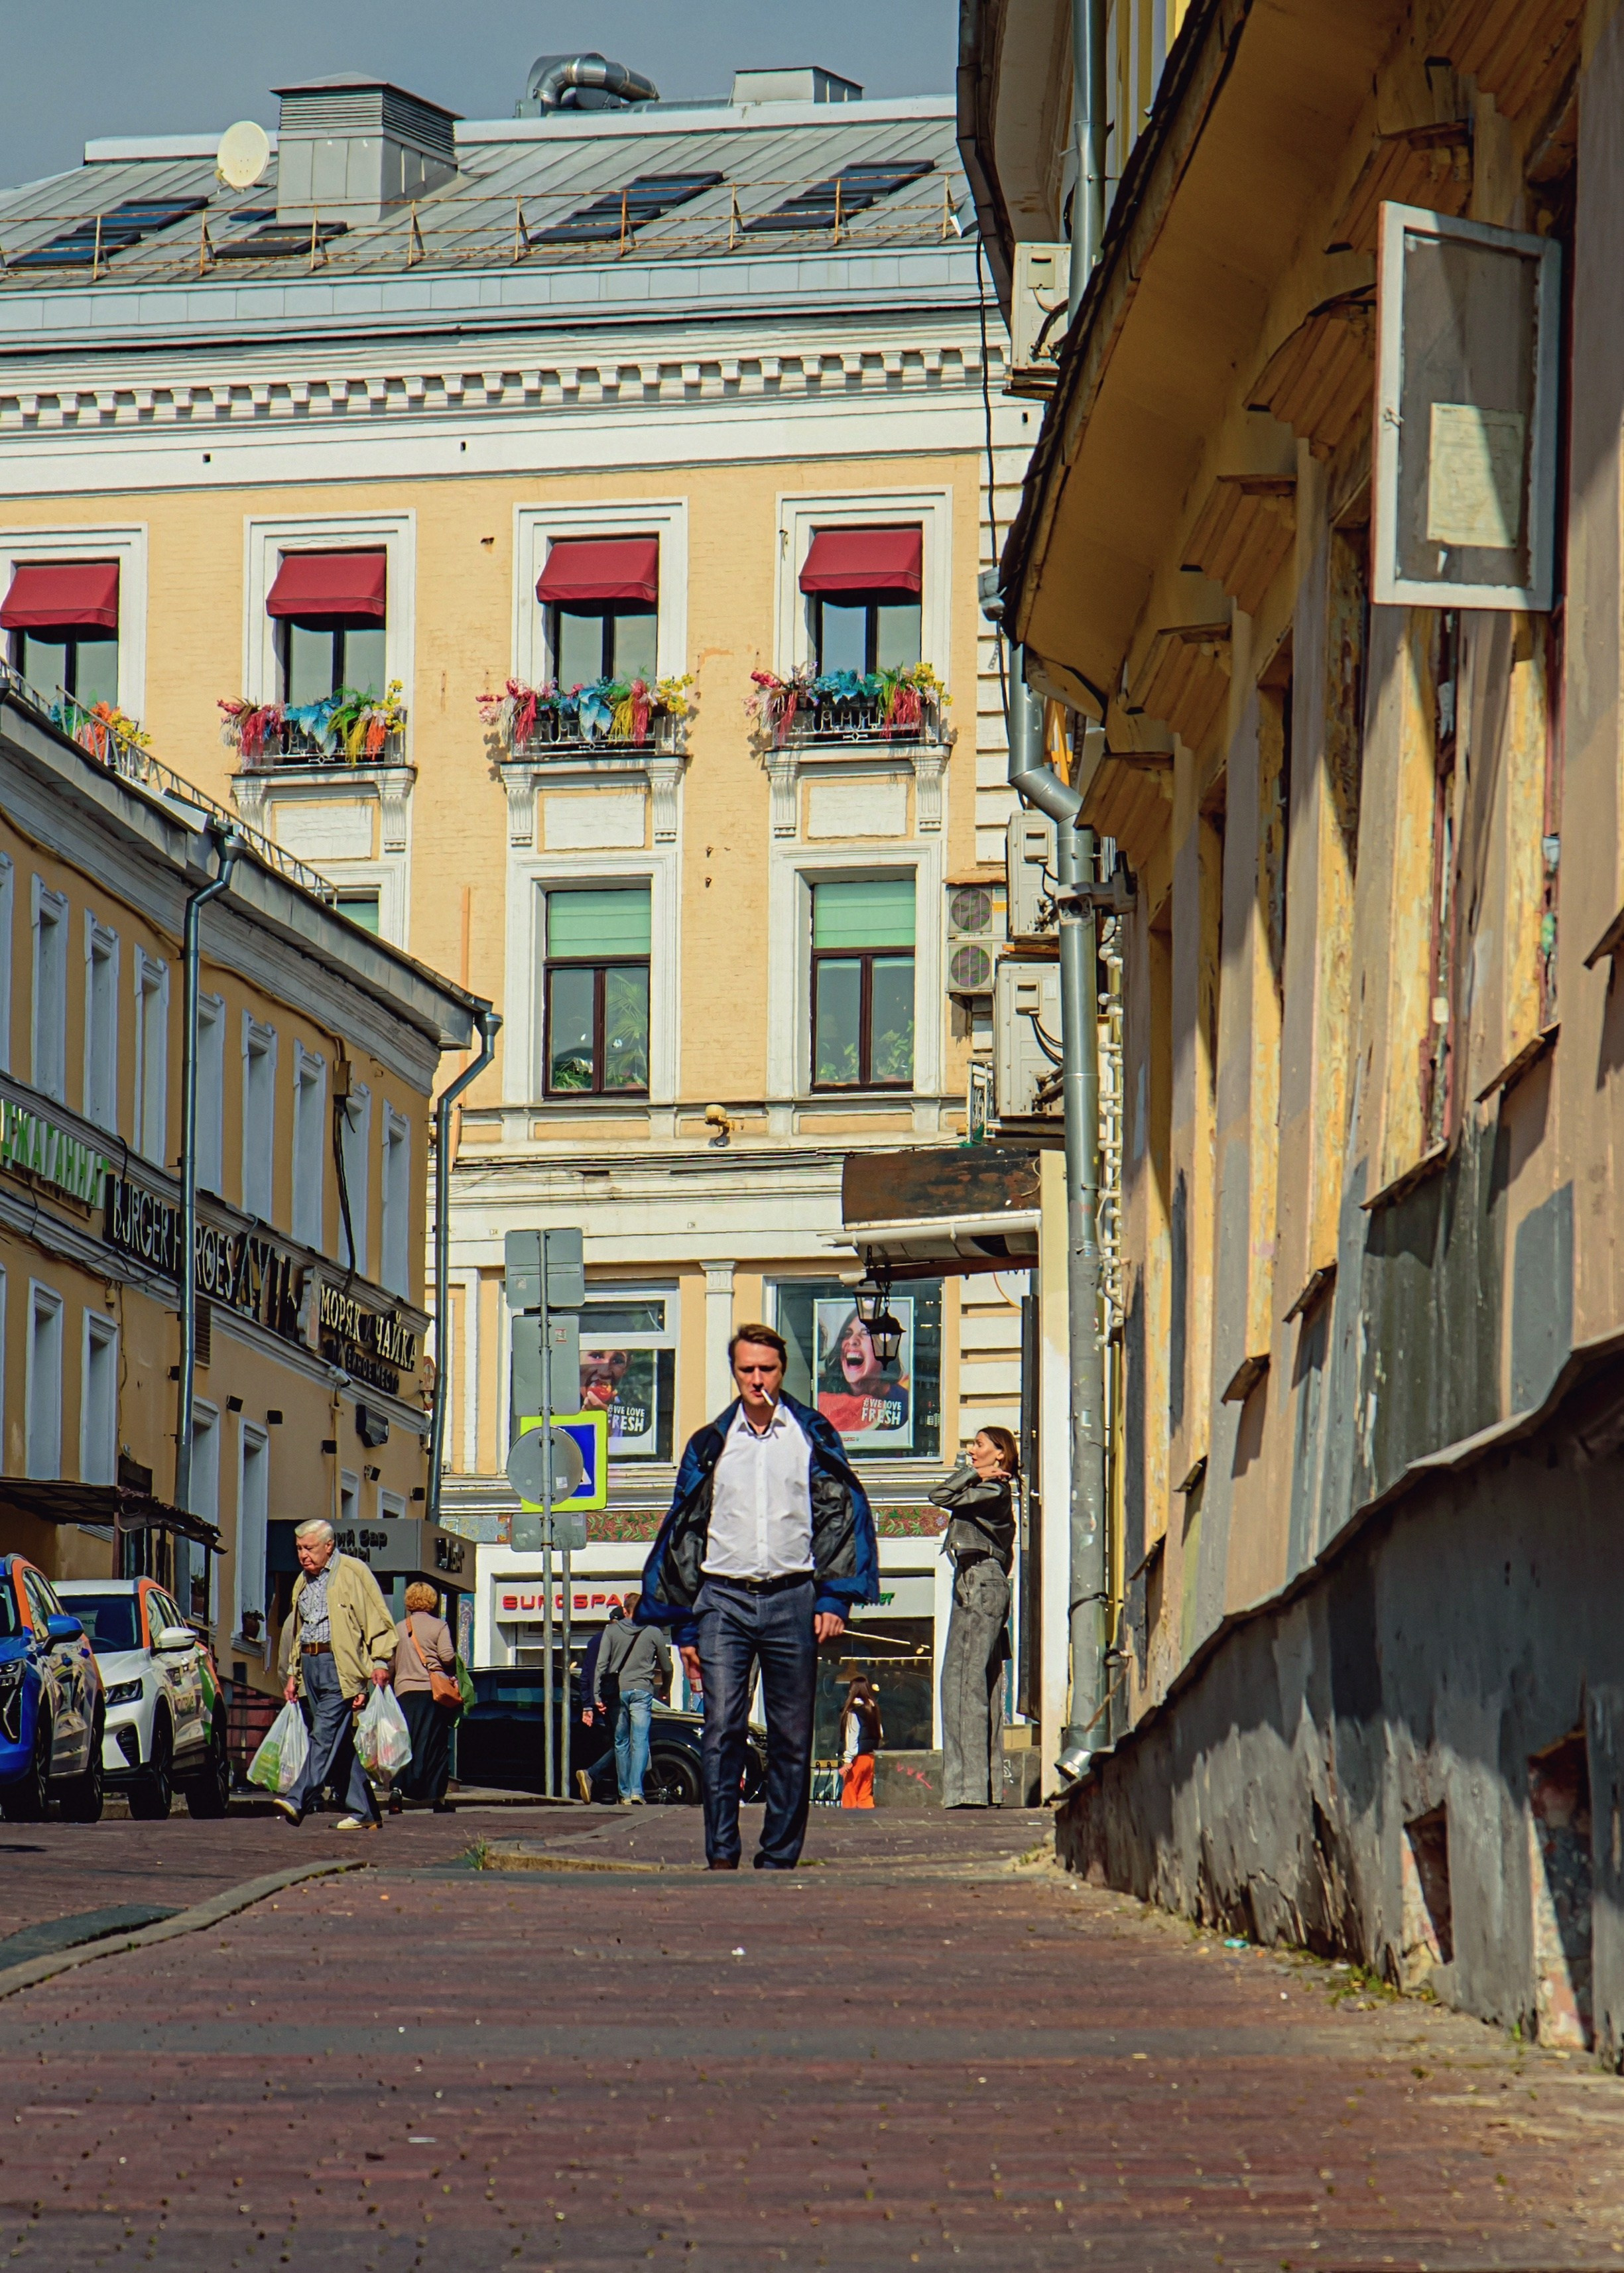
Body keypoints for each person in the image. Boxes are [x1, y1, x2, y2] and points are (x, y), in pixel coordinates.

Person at [638, 1323, 879, 1871]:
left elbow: (838, 1517)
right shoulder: (709, 1444)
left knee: (792, 1735)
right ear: (735, 1373)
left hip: (793, 1597)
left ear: (781, 1371)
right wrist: (685, 1627)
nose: (756, 1379)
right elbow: (685, 1533)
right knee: (722, 1727)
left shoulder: (811, 1434)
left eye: (765, 1369)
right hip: (722, 1600)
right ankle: (722, 1855)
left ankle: (778, 1856)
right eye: (746, 1369)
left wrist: (834, 1599)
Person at [272, 1518, 397, 1831]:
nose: (303, 1555)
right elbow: (300, 1631)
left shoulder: (353, 1572)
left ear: (329, 1546)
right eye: (299, 1548)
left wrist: (380, 1661)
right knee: (338, 1743)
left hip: (340, 1666)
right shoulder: (302, 1582)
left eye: (310, 1548)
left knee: (324, 1735)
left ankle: (299, 1797)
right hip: (310, 1666)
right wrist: (293, 1674)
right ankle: (365, 1810)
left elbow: (377, 1618)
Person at [932, 1427, 1019, 1809]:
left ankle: (968, 1792)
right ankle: (984, 1789)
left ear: (1000, 1454)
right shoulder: (994, 1492)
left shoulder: (992, 1489)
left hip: (978, 1579)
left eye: (979, 1444)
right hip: (986, 1581)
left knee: (961, 1683)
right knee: (983, 1685)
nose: (971, 1450)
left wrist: (973, 1475)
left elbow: (939, 1495)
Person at [593, 1589, 671, 1804]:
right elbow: (667, 1665)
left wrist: (596, 1694)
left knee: (621, 1742)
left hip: (617, 1692)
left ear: (625, 1611)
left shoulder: (611, 1632)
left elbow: (601, 1664)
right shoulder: (654, 1632)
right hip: (642, 1692)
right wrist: (665, 1687)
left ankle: (624, 1793)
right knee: (640, 1740)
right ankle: (637, 1791)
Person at [389, 1582, 457, 1813]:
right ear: (432, 1601)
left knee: (403, 1743)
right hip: (432, 1694)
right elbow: (447, 1657)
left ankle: (396, 1792)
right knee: (435, 1746)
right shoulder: (439, 1626)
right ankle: (438, 1799)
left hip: (404, 1693)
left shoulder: (399, 1627)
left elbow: (390, 1663)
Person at [575, 1603, 623, 1802]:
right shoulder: (618, 1639)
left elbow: (586, 1674)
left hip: (601, 1700)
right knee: (624, 1742)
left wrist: (588, 1704)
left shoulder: (595, 1640)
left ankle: (620, 1789)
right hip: (614, 1698)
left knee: (619, 1743)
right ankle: (593, 1774)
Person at [839, 1674, 883, 1809]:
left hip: (857, 1759)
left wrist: (847, 1760)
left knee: (850, 1794)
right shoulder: (873, 1709)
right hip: (870, 1757)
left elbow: (852, 1736)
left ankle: (849, 1824)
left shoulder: (854, 1712)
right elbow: (881, 1733)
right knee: (865, 1794)